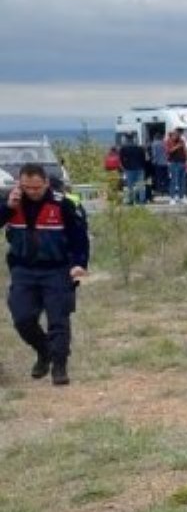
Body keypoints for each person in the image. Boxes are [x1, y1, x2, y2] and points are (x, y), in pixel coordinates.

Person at [5, 163, 89, 386]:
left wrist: (79, 263)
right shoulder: (11, 201)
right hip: (23, 270)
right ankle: (44, 351)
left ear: (46, 183)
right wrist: (8, 207)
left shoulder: (63, 204)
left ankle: (59, 367)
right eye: (27, 187)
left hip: (57, 269)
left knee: (58, 320)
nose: (32, 192)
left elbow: (79, 236)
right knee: (22, 318)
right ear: (19, 184)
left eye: (36, 187)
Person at [118, 135, 149, 205]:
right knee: (141, 185)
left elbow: (121, 159)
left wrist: (124, 167)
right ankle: (142, 200)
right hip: (140, 169)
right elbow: (144, 159)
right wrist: (142, 166)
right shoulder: (140, 148)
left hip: (129, 169)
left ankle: (131, 200)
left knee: (130, 186)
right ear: (134, 140)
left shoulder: (123, 149)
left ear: (126, 140)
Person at [165, 127, 187, 203]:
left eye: (181, 133)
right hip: (174, 163)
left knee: (182, 181)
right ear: (175, 132)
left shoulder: (182, 141)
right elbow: (168, 151)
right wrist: (177, 146)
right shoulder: (169, 141)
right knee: (174, 180)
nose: (180, 135)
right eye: (178, 133)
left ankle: (182, 196)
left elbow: (185, 149)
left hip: (182, 162)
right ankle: (172, 197)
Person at [149, 134, 168, 202]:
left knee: (158, 177)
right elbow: (167, 153)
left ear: (155, 137)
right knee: (165, 177)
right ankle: (165, 189)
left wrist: (153, 162)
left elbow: (154, 154)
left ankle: (159, 190)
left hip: (158, 164)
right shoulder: (164, 143)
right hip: (165, 163)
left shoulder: (154, 144)